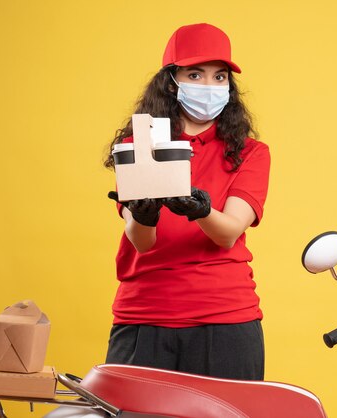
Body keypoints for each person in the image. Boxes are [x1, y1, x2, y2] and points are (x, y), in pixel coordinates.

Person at [103, 23, 270, 381]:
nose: (209, 87)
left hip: (225, 319)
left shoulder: (251, 153)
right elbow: (141, 242)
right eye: (195, 74)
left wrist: (200, 210)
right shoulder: (137, 146)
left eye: (219, 77)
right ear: (171, 81)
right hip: (144, 317)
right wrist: (144, 215)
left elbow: (227, 234)